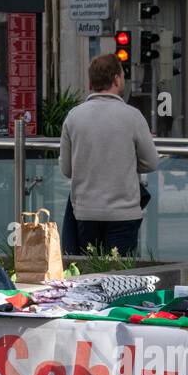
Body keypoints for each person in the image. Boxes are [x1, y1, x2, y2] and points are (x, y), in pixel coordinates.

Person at [60, 53, 159, 256]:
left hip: (85, 212)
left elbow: (67, 169)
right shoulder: (132, 116)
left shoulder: (74, 117)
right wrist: (125, 161)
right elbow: (151, 162)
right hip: (123, 213)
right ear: (116, 78)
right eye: (122, 76)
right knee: (120, 277)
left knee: (88, 275)